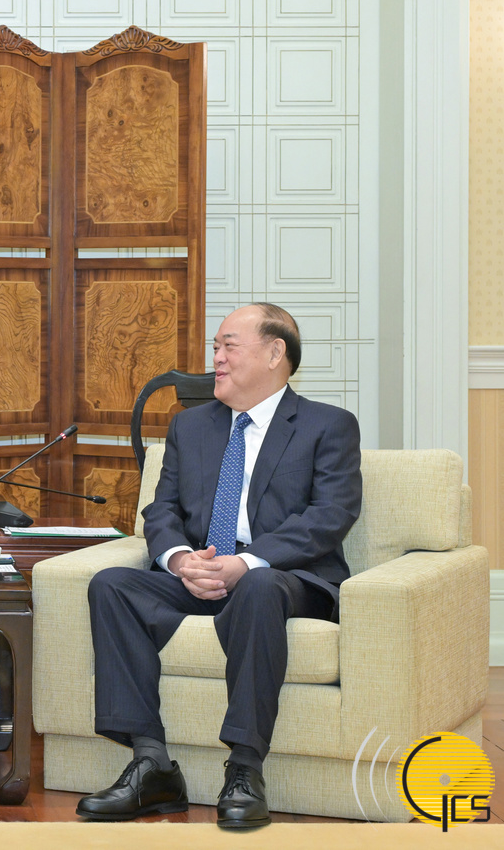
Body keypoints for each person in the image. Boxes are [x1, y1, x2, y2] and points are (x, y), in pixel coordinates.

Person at [76, 303, 362, 829]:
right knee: (112, 585)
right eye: (215, 347)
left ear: (275, 353)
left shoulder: (328, 425)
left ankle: (245, 769)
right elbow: (162, 509)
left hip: (285, 579)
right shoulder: (191, 427)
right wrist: (180, 559)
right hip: (202, 571)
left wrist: (246, 562)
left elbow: (330, 516)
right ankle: (151, 764)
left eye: (229, 345)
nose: (217, 358)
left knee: (258, 586)